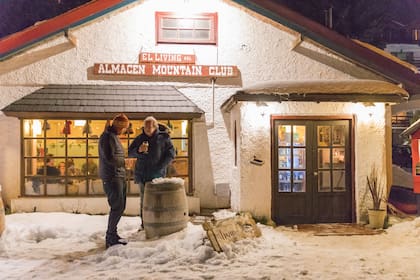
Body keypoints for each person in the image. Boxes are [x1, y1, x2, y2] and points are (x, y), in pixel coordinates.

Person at [128, 116, 175, 230]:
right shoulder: (139, 139)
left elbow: (171, 154)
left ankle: (158, 222)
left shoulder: (163, 138)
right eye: (146, 126)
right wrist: (139, 150)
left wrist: (161, 166)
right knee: (144, 201)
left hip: (157, 175)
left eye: (150, 126)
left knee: (157, 200)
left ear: (155, 127)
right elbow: (130, 153)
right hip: (142, 175)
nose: (148, 128)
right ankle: (145, 224)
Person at [98, 113, 130, 248]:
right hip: (112, 177)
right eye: (123, 128)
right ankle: (110, 238)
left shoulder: (112, 137)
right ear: (120, 126)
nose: (124, 130)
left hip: (118, 176)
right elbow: (110, 158)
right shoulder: (107, 137)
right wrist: (125, 162)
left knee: (120, 206)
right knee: (117, 207)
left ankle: (113, 234)